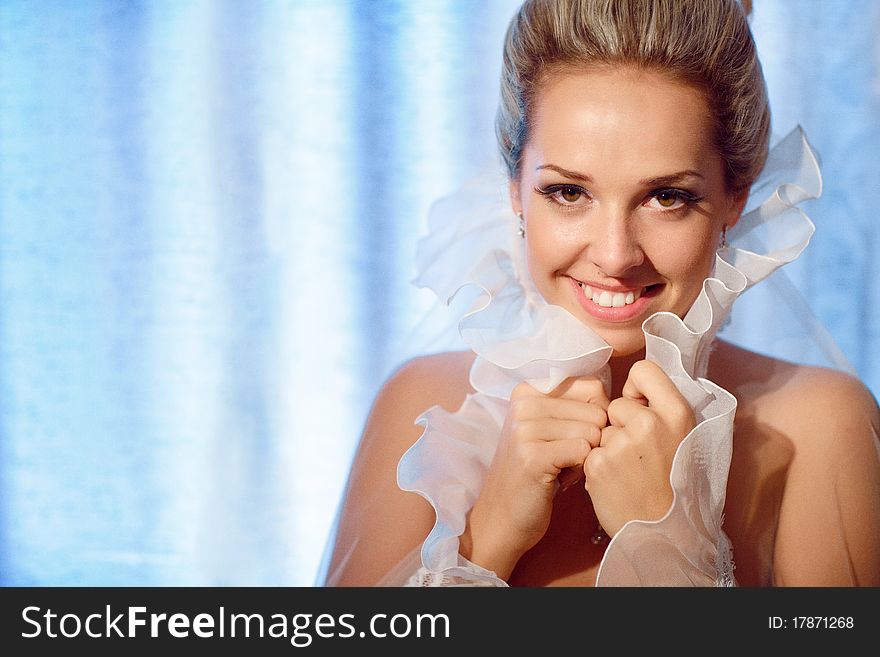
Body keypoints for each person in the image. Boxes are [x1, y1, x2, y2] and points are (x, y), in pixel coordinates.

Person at [321, 0, 880, 586]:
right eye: (567, 192)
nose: (615, 256)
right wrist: (488, 533)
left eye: (667, 196)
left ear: (735, 197)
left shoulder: (817, 425)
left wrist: (673, 547)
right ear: (515, 189)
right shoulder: (423, 410)